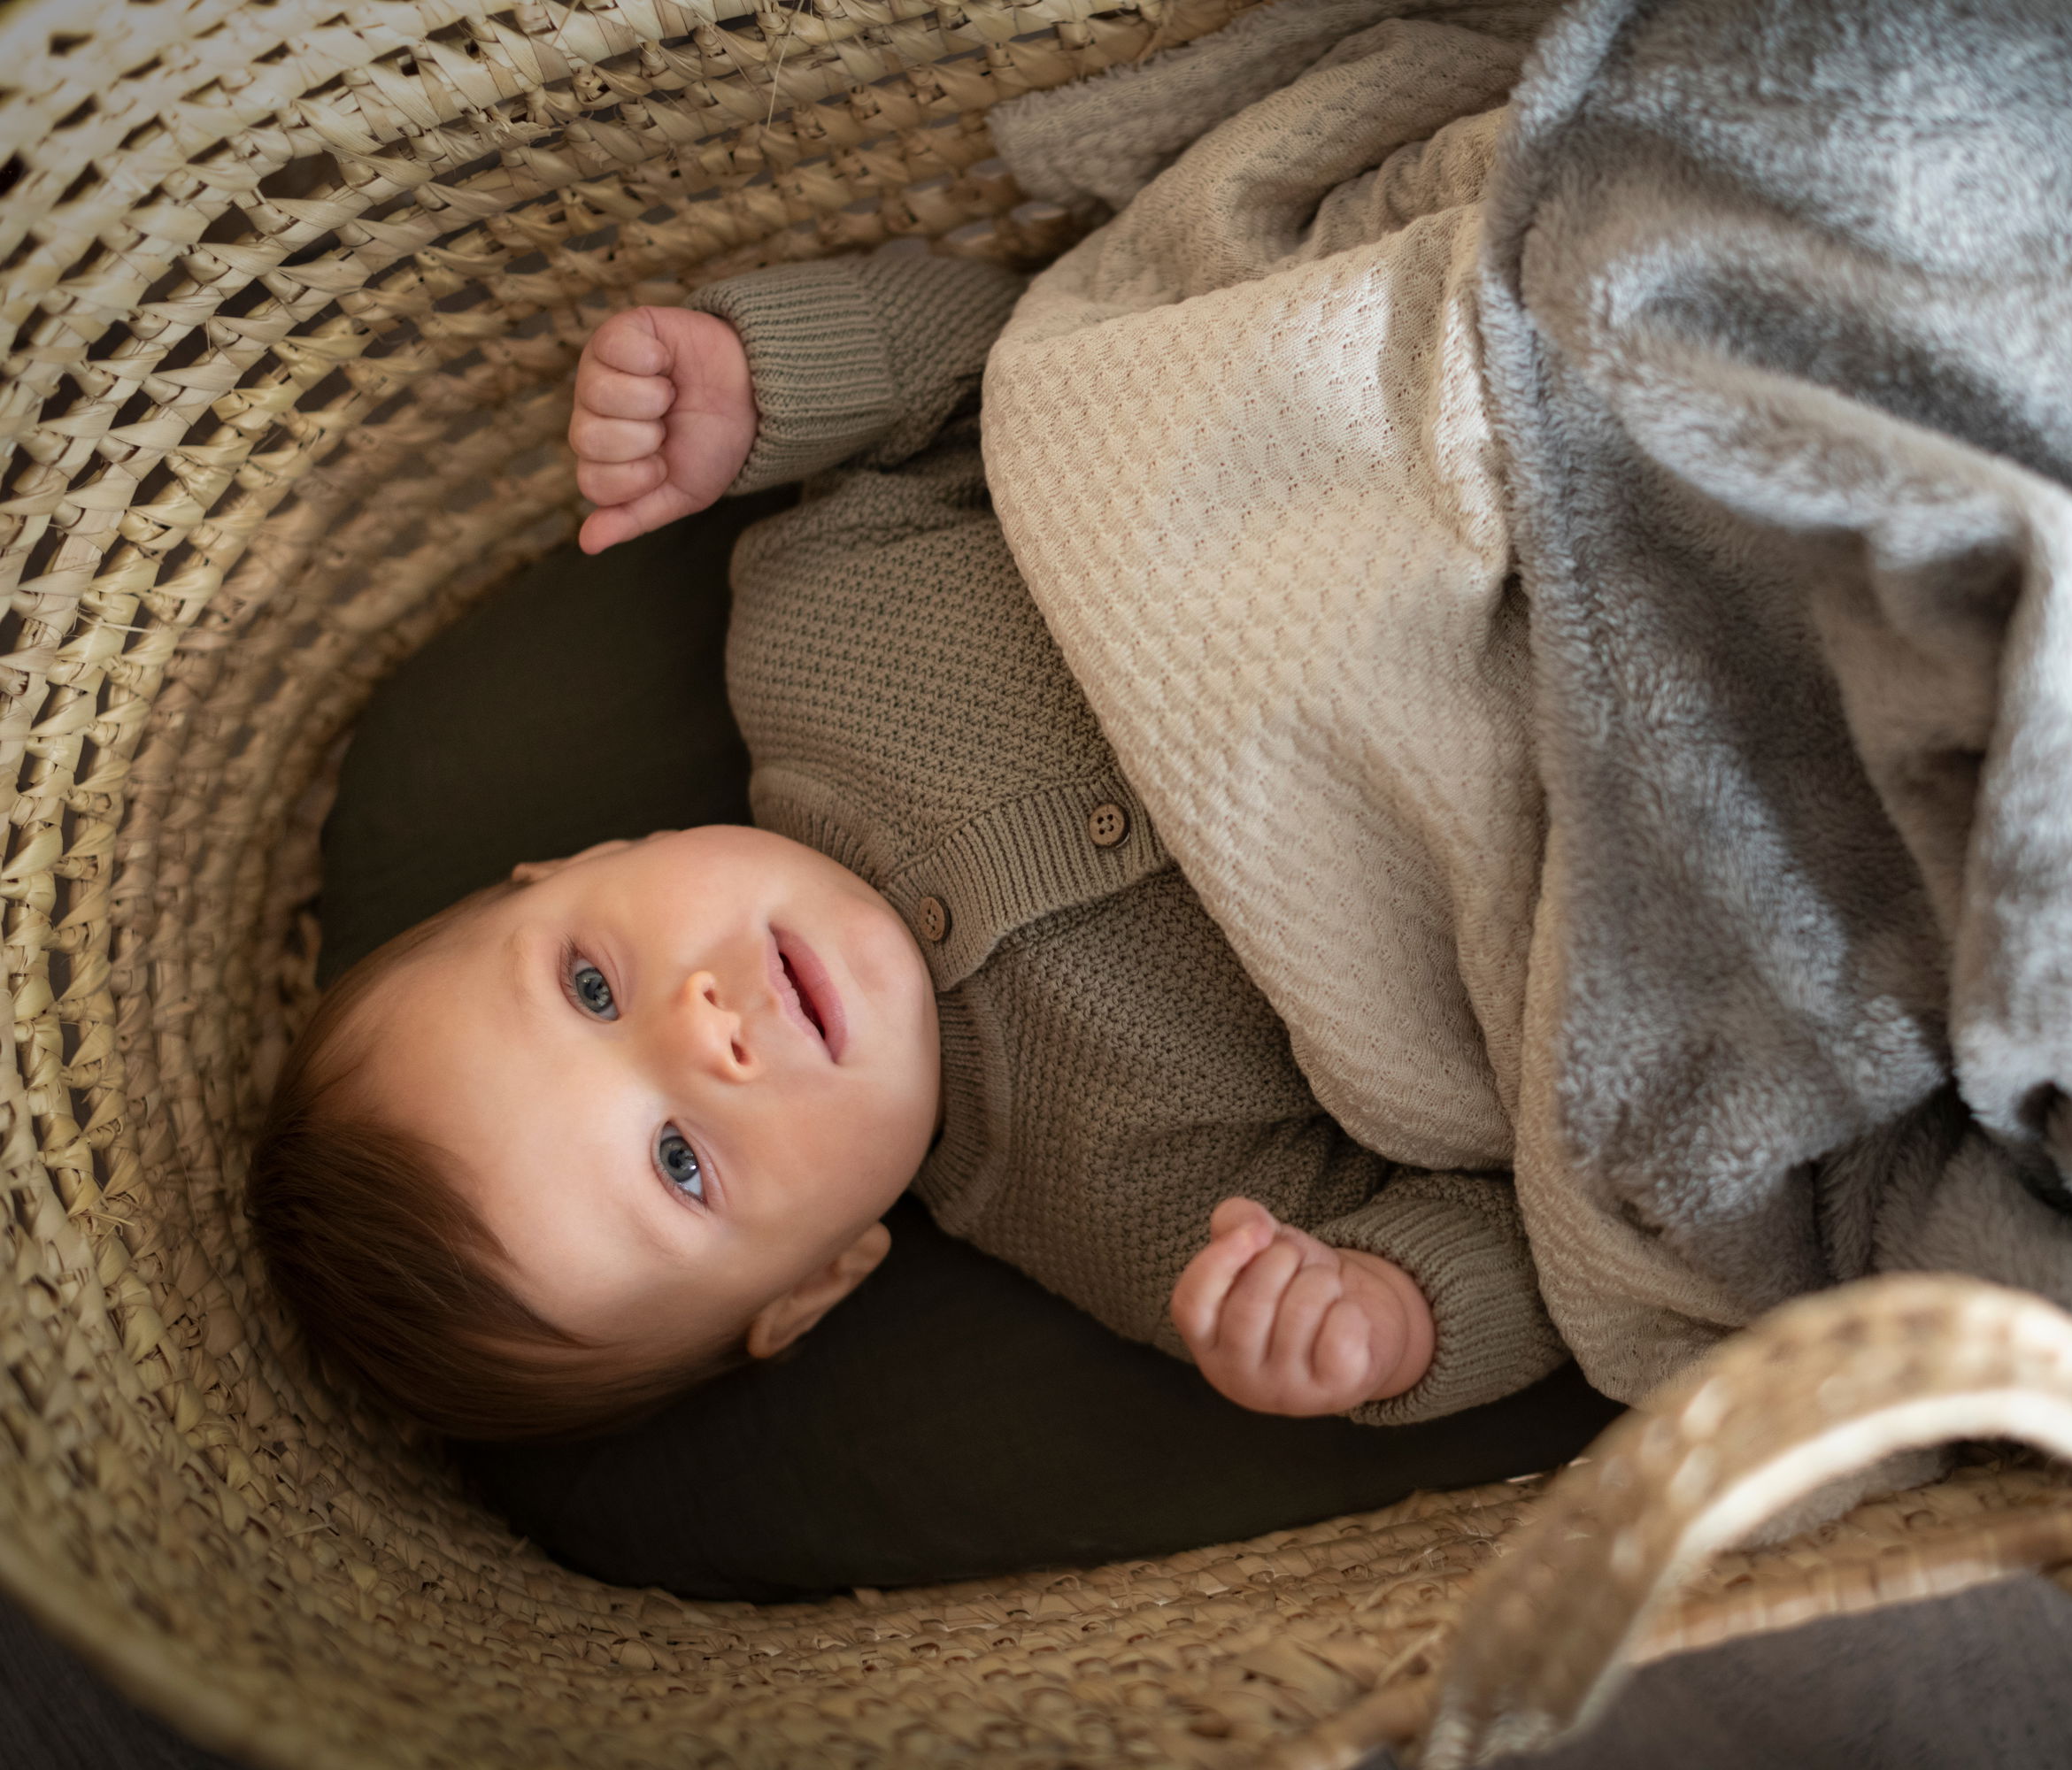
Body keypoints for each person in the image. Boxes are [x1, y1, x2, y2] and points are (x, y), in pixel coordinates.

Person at [248, 244, 1567, 1442]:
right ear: (818, 1284)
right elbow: (1540, 1233)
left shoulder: (809, 620)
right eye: (679, 1161)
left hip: (1430, 443)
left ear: (584, 860)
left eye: (593, 986)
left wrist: (756, 381)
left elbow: (1012, 355)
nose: (706, 1030)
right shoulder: (1137, 1226)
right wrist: (1389, 1316)